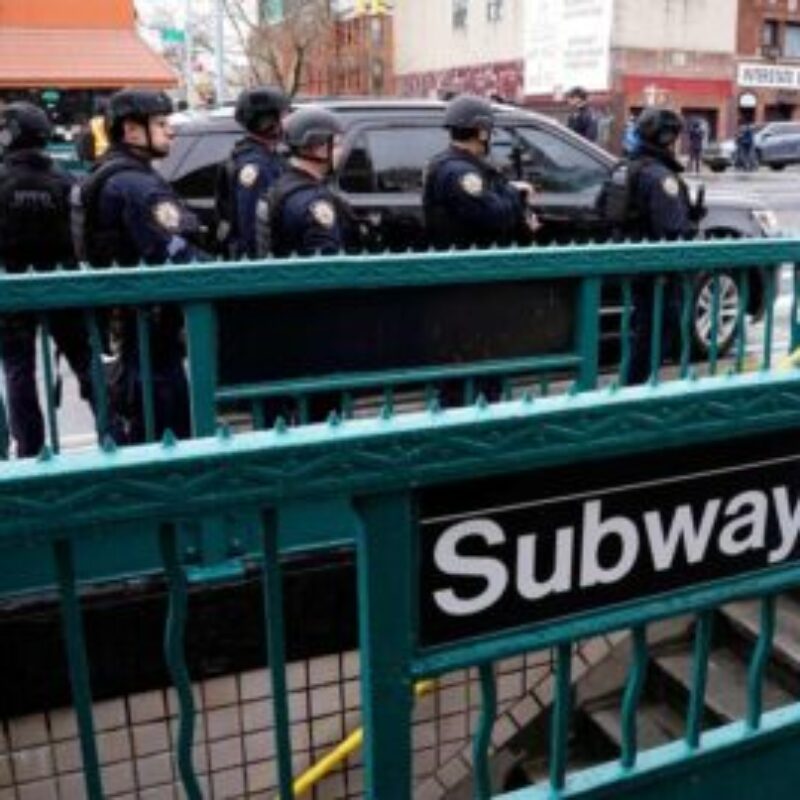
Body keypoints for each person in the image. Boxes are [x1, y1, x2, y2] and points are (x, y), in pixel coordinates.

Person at [74, 89, 206, 444]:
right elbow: (177, 254)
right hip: (149, 333)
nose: (171, 132)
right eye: (161, 124)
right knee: (167, 436)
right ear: (132, 130)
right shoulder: (136, 185)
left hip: (131, 329)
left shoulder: (114, 174)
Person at [0, 102, 97, 457]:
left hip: (11, 289)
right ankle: (110, 431)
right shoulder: (65, 179)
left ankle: (30, 448)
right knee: (85, 362)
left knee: (18, 370)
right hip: (62, 286)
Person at [625, 107, 705, 385]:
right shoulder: (661, 177)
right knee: (656, 334)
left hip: (633, 264)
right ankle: (632, 395)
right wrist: (691, 222)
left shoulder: (628, 167)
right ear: (667, 137)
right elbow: (673, 231)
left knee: (641, 332)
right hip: (659, 273)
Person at [422, 94, 539, 251]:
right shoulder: (461, 174)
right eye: (488, 132)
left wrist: (508, 187)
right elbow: (495, 217)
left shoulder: (447, 163)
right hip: (467, 265)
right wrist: (516, 194)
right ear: (482, 133)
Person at [256, 105, 353, 258]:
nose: (341, 151)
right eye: (336, 145)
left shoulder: (282, 185)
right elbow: (329, 269)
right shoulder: (314, 204)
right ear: (318, 148)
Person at [216, 86, 289, 258]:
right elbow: (252, 229)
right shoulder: (255, 167)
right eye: (284, 116)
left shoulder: (266, 155)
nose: (288, 121)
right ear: (266, 122)